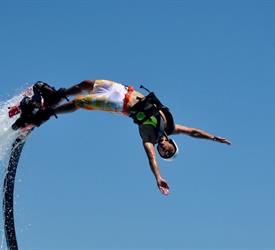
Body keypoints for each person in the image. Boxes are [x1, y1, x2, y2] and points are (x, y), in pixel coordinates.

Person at [14, 79, 231, 195]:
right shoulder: (170, 127)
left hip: (120, 104)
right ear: (172, 143)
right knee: (86, 84)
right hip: (124, 90)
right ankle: (56, 96)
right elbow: (193, 132)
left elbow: (151, 160)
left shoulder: (149, 137)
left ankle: (43, 115)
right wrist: (212, 137)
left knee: (80, 103)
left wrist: (158, 177)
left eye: (165, 153)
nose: (165, 150)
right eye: (169, 150)